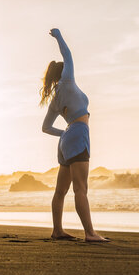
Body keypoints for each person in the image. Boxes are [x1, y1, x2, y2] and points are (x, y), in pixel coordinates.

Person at [40, 28, 109, 242]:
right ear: (64, 73)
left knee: (61, 191)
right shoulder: (67, 82)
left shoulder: (55, 100)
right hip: (78, 134)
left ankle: (57, 231)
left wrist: (64, 134)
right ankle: (90, 233)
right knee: (81, 188)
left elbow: (45, 128)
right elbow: (67, 54)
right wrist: (59, 36)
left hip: (66, 140)